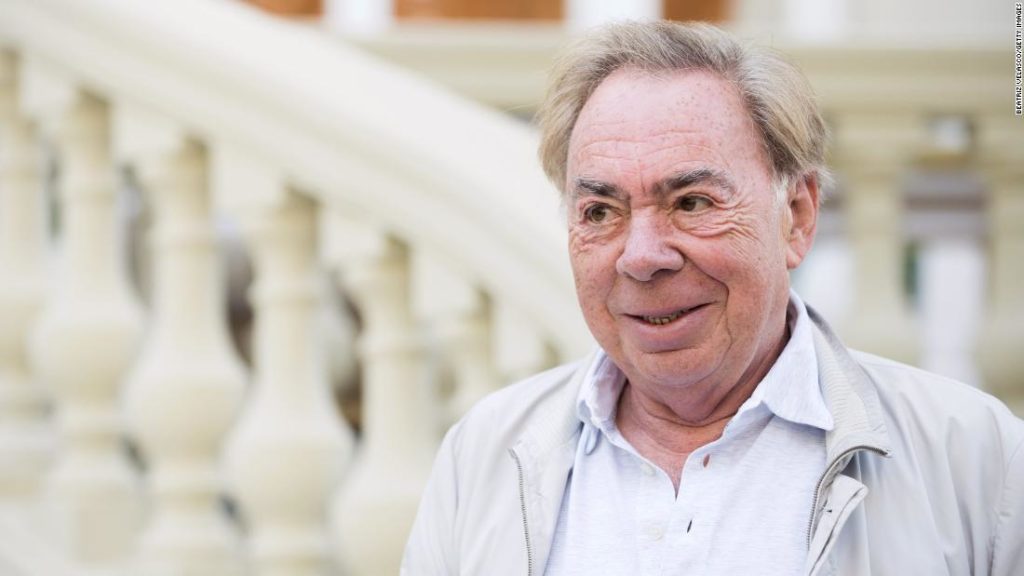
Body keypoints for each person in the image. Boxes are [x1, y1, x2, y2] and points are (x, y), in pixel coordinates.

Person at [401, 21, 1024, 576]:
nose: (642, 256)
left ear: (797, 215)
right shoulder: (484, 456)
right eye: (600, 211)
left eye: (691, 202)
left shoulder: (975, 458)